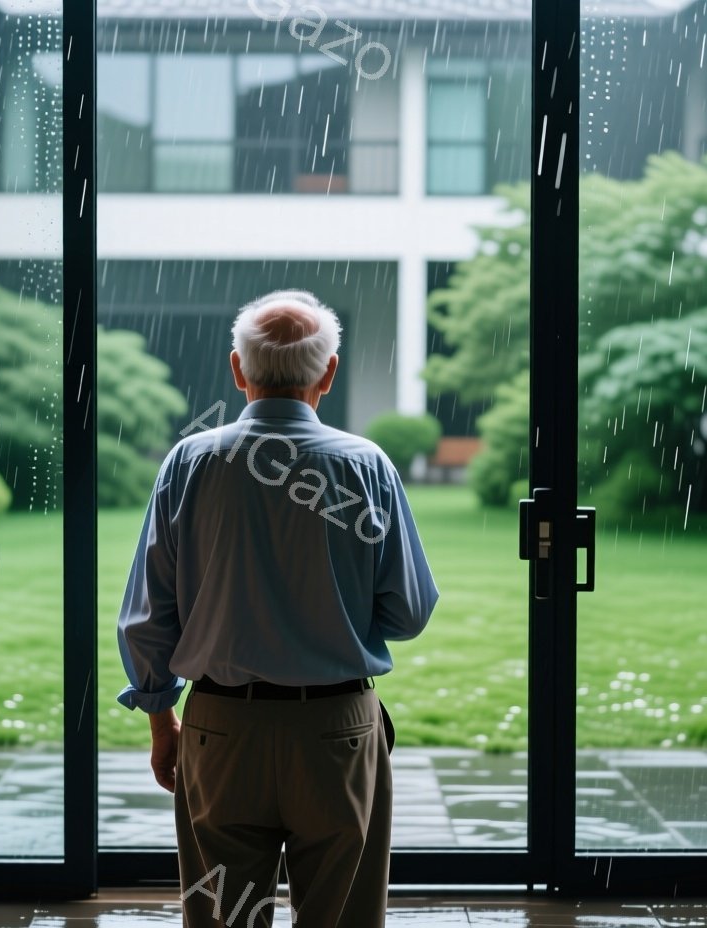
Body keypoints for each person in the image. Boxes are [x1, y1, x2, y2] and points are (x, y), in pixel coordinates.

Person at [116, 289, 439, 928]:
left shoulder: (191, 461)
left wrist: (161, 721)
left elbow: (149, 614)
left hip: (221, 729)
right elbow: (408, 612)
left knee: (223, 918)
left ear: (238, 371)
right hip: (337, 731)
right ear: (330, 371)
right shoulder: (365, 466)